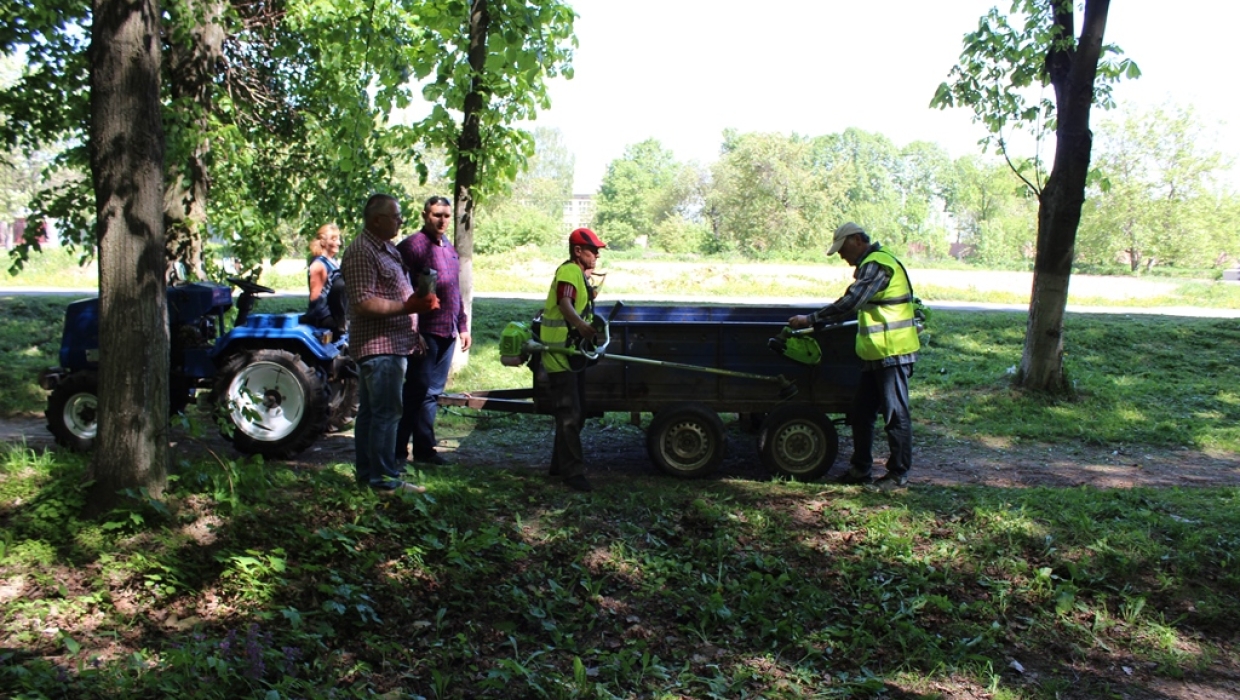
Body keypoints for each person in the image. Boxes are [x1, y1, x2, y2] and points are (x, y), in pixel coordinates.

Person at [788, 222, 920, 491]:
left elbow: (851, 303)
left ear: (858, 240)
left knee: (895, 415)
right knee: (861, 414)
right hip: (876, 354)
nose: (841, 256)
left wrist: (810, 319)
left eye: (842, 248)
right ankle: (861, 469)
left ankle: (898, 475)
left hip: (892, 352)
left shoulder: (877, 265)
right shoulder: (872, 264)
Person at [340, 194, 439, 493]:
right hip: (378, 347)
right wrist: (410, 309)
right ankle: (384, 479)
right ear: (376, 219)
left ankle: (370, 475)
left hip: (393, 343)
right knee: (385, 413)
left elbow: (398, 295)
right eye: (395, 216)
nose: (400, 221)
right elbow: (362, 303)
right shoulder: (361, 251)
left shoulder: (387, 249)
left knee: (373, 413)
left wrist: (414, 328)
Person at [395, 196, 472, 465]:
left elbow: (454, 291)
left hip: (447, 332)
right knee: (415, 392)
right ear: (425, 214)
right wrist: (412, 331)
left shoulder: (449, 247)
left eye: (447, 216)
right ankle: (397, 450)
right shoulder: (412, 247)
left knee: (432, 393)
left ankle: (425, 450)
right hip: (424, 332)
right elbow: (400, 290)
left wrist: (462, 326)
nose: (442, 220)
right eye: (437, 215)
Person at [540, 227, 607, 493]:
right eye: (593, 251)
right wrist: (580, 325)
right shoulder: (568, 271)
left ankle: (559, 465)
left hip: (572, 353)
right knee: (571, 414)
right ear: (578, 251)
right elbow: (565, 303)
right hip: (559, 353)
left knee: (576, 413)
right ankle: (573, 473)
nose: (597, 255)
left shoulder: (578, 273)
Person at [301, 223, 346, 334]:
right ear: (322, 242)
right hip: (323, 317)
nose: (339, 243)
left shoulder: (333, 262)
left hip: (337, 313)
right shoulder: (318, 265)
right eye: (334, 239)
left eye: (338, 239)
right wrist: (328, 320)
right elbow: (315, 298)